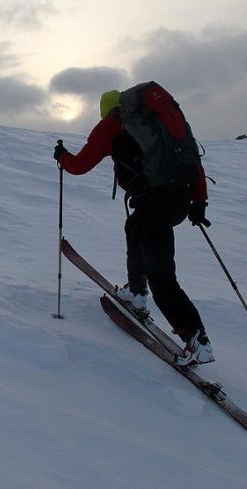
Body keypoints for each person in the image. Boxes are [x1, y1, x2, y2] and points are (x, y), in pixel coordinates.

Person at [54, 86, 214, 366]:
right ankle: (137, 292)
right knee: (134, 227)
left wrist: (62, 157)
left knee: (162, 276)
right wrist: (199, 202)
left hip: (155, 204)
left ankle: (197, 339)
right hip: (180, 198)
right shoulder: (158, 124)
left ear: (107, 110)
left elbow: (80, 165)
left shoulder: (112, 126)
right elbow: (193, 162)